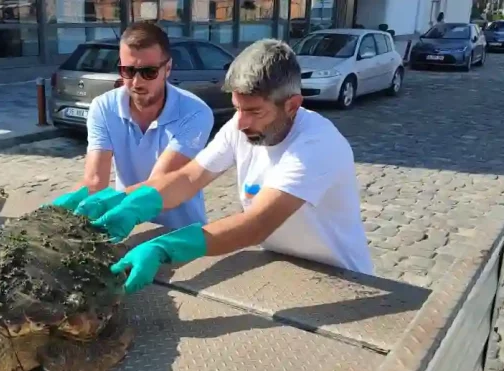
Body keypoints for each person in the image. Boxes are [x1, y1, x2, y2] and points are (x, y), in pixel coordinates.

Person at [53, 38, 374, 294]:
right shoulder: (240, 125)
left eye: (255, 112)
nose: (242, 122)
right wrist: (128, 203)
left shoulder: (316, 147)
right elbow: (190, 177)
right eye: (238, 109)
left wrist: (167, 247)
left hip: (343, 282)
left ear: (292, 105)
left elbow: (257, 224)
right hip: (279, 266)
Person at [52, 21, 215, 231]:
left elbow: (159, 184)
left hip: (180, 232)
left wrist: (108, 203)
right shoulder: (103, 108)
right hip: (128, 225)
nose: (137, 82)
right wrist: (59, 213)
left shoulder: (195, 112)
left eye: (148, 72)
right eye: (128, 71)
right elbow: (95, 180)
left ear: (168, 68)